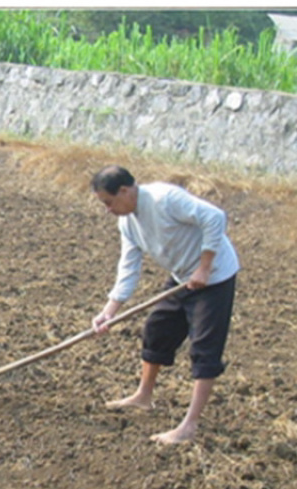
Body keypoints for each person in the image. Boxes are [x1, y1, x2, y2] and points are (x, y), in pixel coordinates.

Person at [90, 165, 240, 444]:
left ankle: (189, 426)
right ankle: (143, 396)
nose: (108, 210)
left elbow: (215, 217)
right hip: (182, 277)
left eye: (109, 202)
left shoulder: (164, 199)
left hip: (214, 279)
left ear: (124, 190)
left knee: (204, 349)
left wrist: (205, 267)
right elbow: (129, 268)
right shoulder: (127, 223)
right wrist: (108, 313)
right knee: (156, 330)